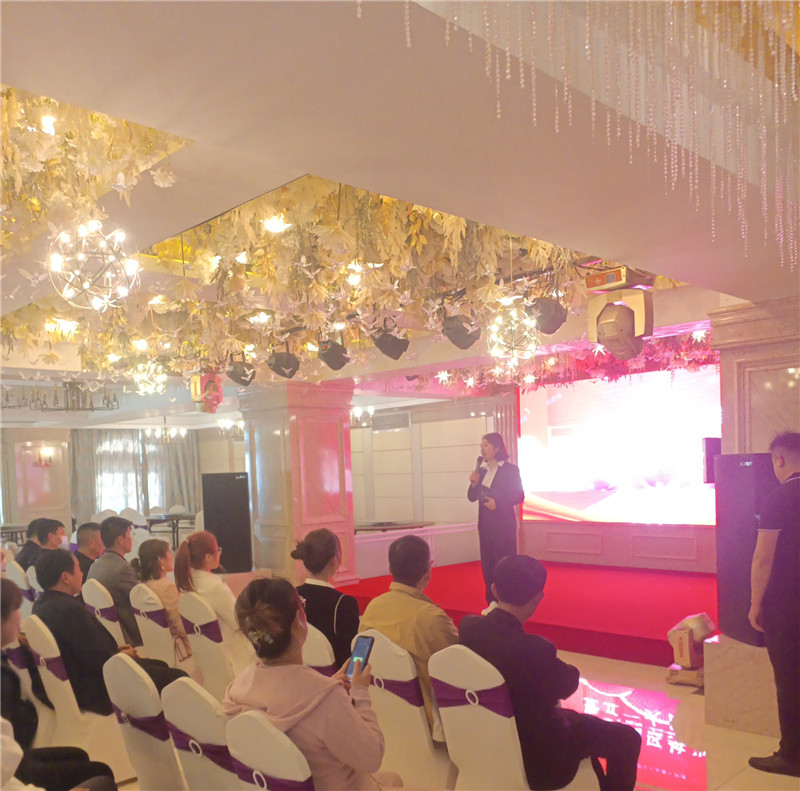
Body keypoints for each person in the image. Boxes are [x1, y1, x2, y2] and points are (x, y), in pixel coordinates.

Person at [459, 554, 641, 791]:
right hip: (540, 758)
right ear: (538, 598)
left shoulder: (468, 628)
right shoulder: (535, 649)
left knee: (584, 727)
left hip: (487, 741)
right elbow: (568, 684)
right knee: (628, 738)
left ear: (494, 589)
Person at [223, 578, 393, 791]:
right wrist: (360, 694)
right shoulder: (326, 701)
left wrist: (327, 688)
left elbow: (293, 703)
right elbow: (372, 757)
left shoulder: (235, 691)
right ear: (299, 621)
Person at [31, 549, 186, 717]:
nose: (82, 573)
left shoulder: (40, 605)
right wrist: (121, 655)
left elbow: (82, 648)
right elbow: (98, 660)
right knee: (178, 679)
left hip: (76, 678)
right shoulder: (70, 610)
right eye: (78, 568)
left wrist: (116, 651)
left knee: (159, 666)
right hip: (96, 687)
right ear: (65, 577)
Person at [2, 578, 116, 791]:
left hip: (13, 759)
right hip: (11, 771)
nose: (20, 616)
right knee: (101, 775)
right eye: (15, 610)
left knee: (79, 756)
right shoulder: (2, 680)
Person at [358, 534, 457, 736]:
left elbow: (357, 664)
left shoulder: (373, 608)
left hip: (381, 714)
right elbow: (458, 668)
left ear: (390, 569)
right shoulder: (431, 619)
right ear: (428, 571)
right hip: (427, 725)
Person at [747, 431, 800, 778]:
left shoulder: (778, 498)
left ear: (779, 460)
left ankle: (792, 756)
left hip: (789, 607)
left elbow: (763, 557)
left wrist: (755, 603)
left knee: (790, 681)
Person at [174, 531, 253, 673]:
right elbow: (240, 623)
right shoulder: (216, 588)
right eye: (218, 550)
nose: (219, 554)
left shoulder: (187, 587)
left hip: (207, 658)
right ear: (208, 557)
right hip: (235, 657)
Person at [467, 433, 524, 603]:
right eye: (481, 445)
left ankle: (507, 601)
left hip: (503, 526)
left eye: (486, 445)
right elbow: (471, 497)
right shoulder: (482, 471)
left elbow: (518, 495)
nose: (482, 449)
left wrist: (497, 504)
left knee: (504, 564)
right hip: (485, 526)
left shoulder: (510, 470)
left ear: (497, 448)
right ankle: (491, 602)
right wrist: (473, 483)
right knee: (488, 565)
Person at [293, 528, 360, 667]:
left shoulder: (291, 595)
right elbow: (349, 658)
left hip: (298, 672)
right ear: (334, 561)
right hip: (334, 677)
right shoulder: (343, 603)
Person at [86, 516, 141, 646]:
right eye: (129, 536)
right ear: (120, 540)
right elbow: (140, 599)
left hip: (103, 633)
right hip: (129, 636)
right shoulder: (122, 568)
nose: (131, 539)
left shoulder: (95, 565)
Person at [131, 539, 190, 657]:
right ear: (160, 559)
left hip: (154, 648)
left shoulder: (141, 587)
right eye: (169, 553)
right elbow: (180, 626)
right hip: (177, 652)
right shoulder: (167, 588)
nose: (172, 557)